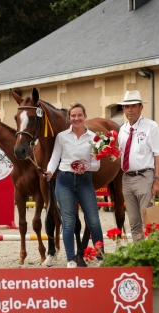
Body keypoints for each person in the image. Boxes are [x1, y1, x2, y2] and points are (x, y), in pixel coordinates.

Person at [45, 102, 104, 268]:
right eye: (73, 116)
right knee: (69, 221)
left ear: (85, 116)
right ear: (69, 118)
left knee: (93, 221)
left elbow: (97, 164)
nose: (76, 118)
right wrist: (50, 171)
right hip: (64, 181)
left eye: (79, 115)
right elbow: (55, 158)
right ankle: (71, 259)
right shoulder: (62, 137)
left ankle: (101, 257)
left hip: (85, 181)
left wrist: (86, 166)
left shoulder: (94, 138)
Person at [115, 90, 159, 241]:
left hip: (145, 177)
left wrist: (158, 179)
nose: (130, 109)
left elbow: (158, 154)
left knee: (149, 219)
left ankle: (154, 254)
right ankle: (140, 254)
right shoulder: (122, 129)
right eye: (126, 106)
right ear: (123, 109)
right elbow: (120, 154)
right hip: (127, 178)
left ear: (140, 107)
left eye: (133, 106)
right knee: (133, 221)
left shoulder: (151, 126)